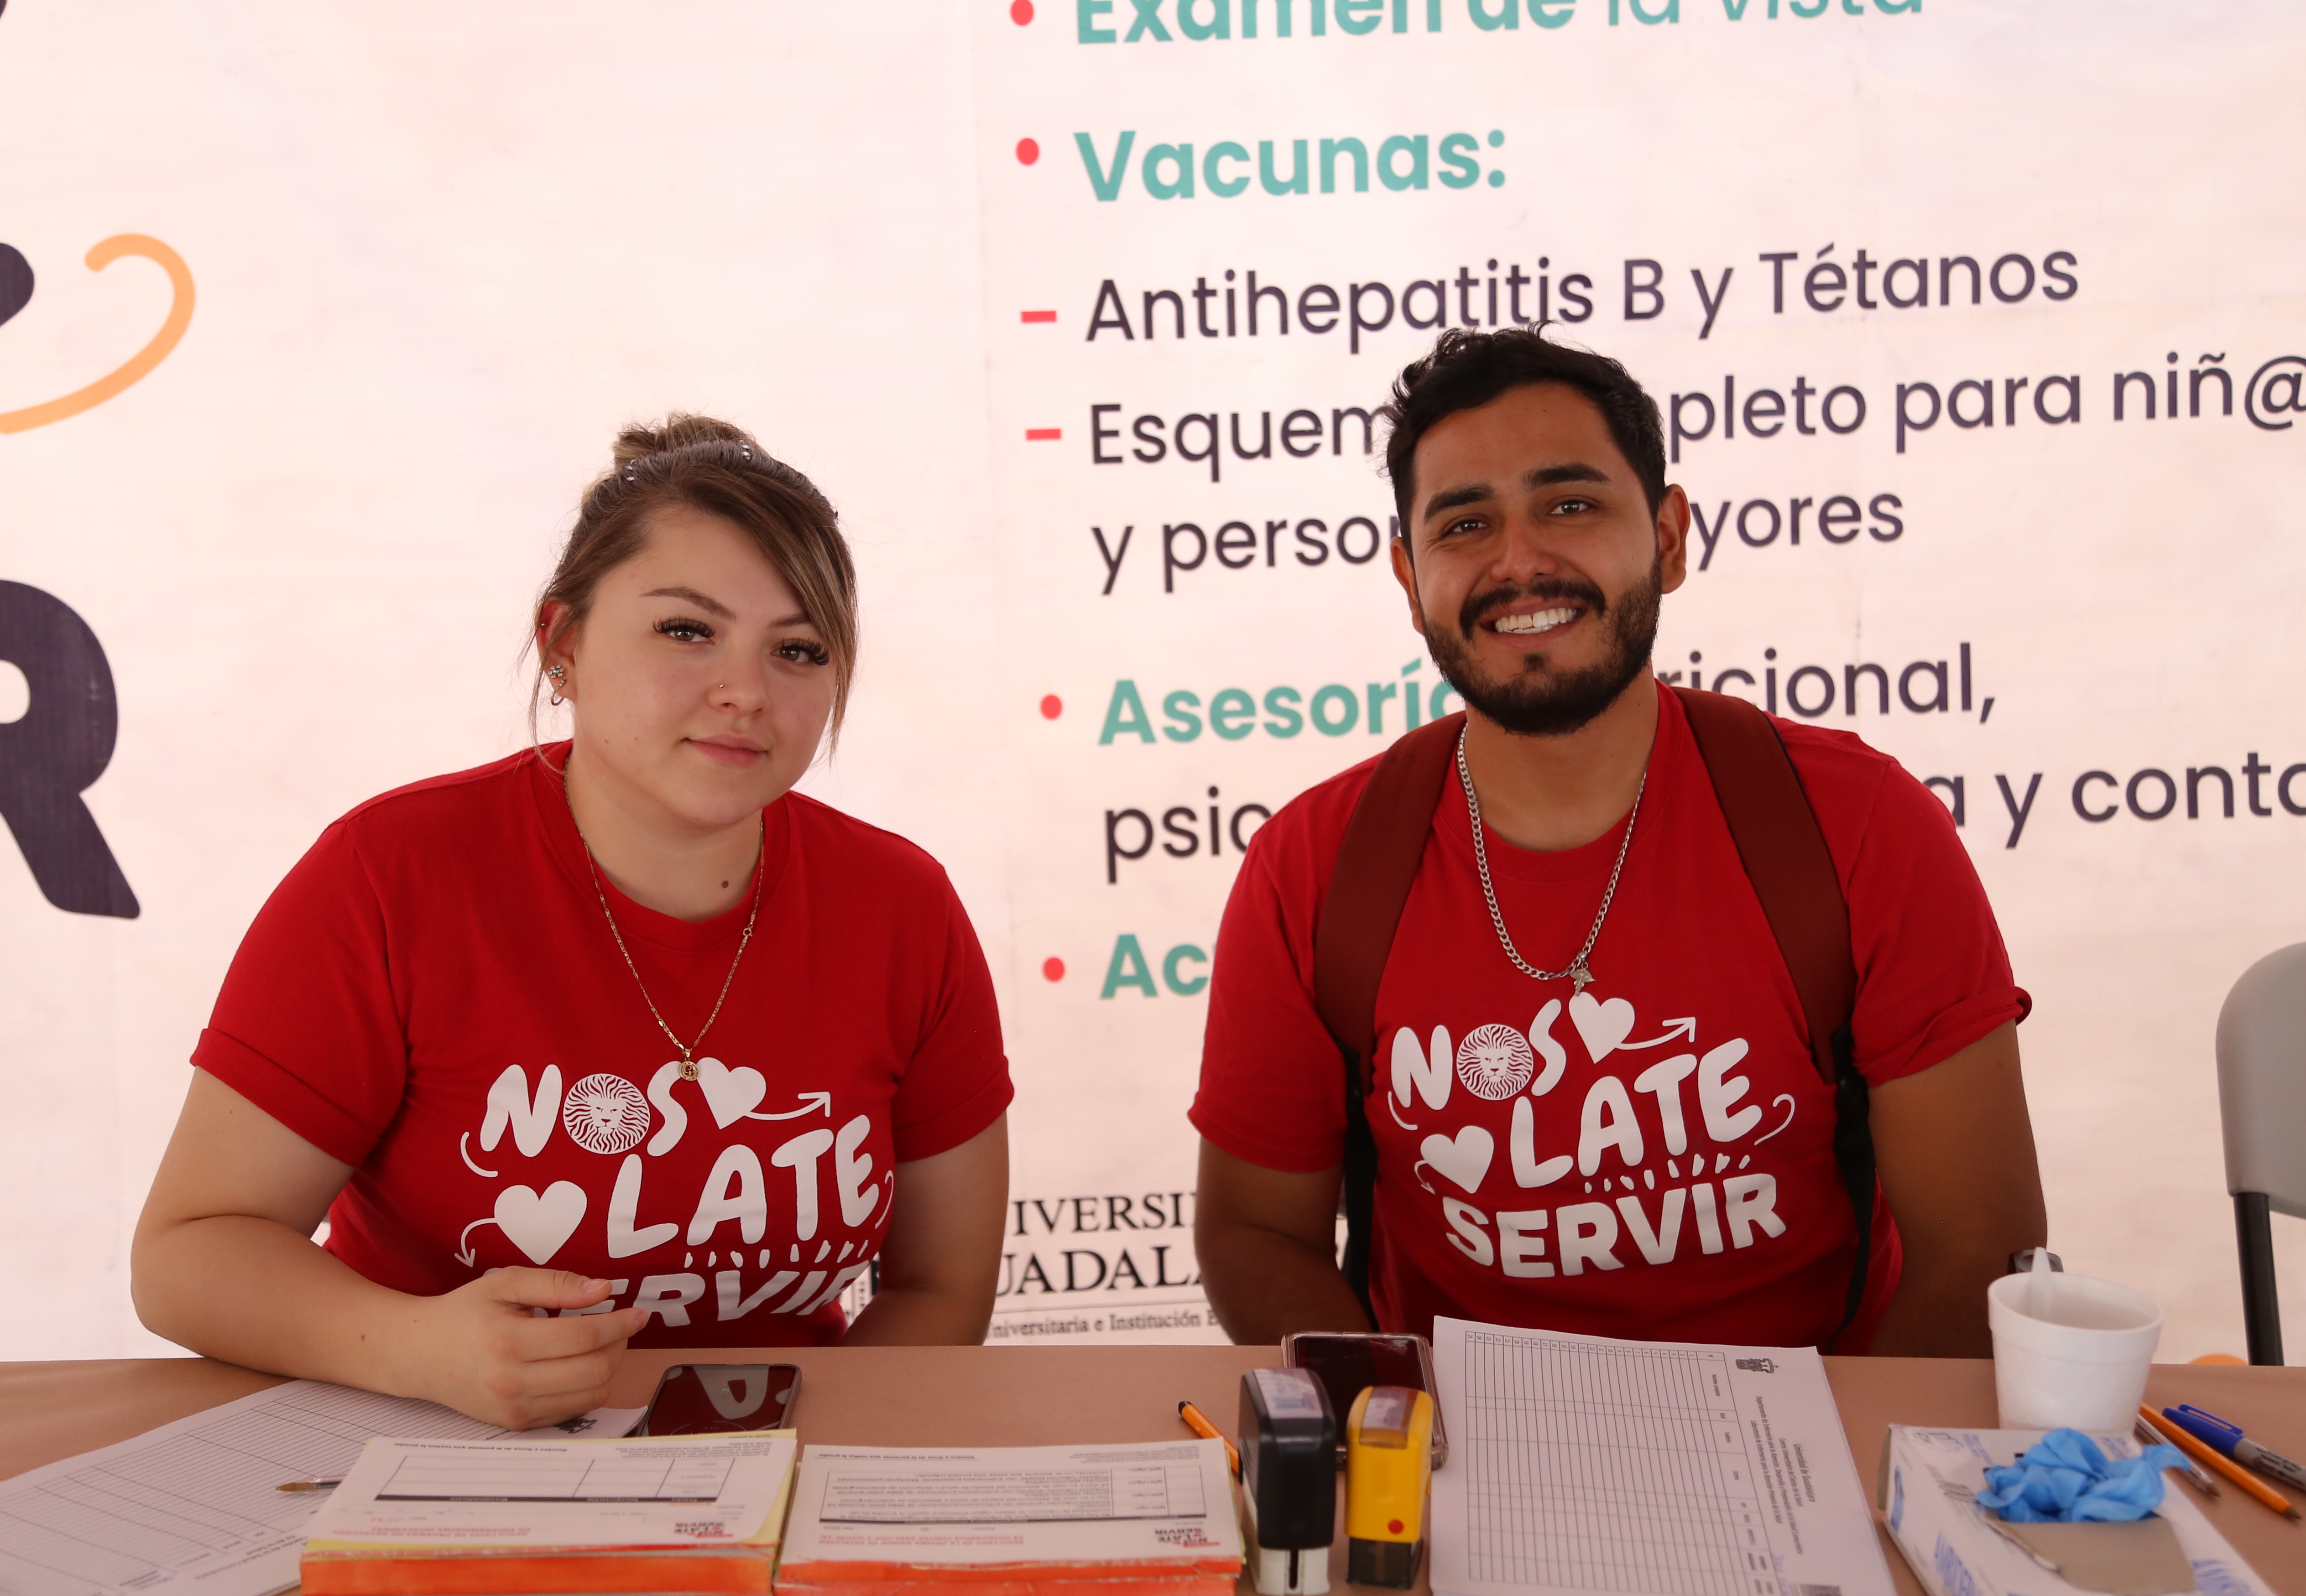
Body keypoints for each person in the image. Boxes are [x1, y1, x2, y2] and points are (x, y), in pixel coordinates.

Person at [133, 416, 1012, 1428]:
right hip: (424, 1450)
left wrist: (784, 1459)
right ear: (564, 644)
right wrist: (420, 1349)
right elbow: (186, 1253)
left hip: (781, 1463)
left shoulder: (903, 907)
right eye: (687, 631)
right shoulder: (390, 874)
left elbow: (940, 1289)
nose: (745, 692)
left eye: (798, 650)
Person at [1190, 329, 2045, 1355]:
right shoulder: (1313, 868)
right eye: (1466, 524)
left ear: (1670, 539)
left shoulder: (1860, 823)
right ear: (1410, 580)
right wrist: (1396, 1421)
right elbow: (1254, 1232)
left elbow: (1978, 1247)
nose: (1520, 561)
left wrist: (1842, 1452)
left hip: (1817, 1425)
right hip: (1453, 1437)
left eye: (1571, 505)